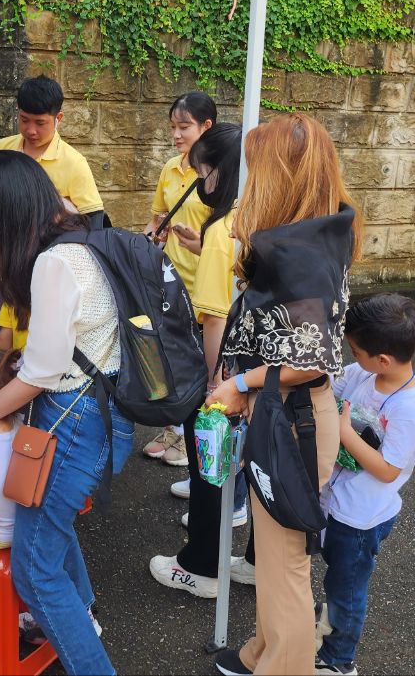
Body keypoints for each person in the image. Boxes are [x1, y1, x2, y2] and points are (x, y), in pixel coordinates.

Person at [0, 150, 129, 675]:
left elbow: (39, 374)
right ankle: (83, 617)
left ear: (10, 208)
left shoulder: (55, 262)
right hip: (94, 410)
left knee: (33, 573)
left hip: (72, 418)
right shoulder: (80, 235)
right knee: (50, 536)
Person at [208, 113, 364, 676]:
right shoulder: (318, 239)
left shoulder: (300, 255)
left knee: (286, 563)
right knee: (278, 561)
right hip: (289, 417)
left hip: (291, 419)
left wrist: (238, 383)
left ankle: (285, 667)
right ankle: (264, 654)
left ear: (281, 173)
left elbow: (308, 359)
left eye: (257, 168)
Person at [149, 122, 254, 598]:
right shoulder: (252, 218)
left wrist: (214, 388)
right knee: (246, 466)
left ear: (219, 172)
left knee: (208, 462)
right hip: (262, 366)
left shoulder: (221, 232)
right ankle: (251, 559)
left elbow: (213, 319)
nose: (199, 181)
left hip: (228, 369)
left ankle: (200, 567)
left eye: (203, 170)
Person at [317, 294, 415, 676]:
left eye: (355, 350)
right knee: (336, 574)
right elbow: (332, 384)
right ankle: (329, 627)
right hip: (338, 502)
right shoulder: (365, 374)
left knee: (347, 590)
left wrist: (344, 433)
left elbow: (387, 470)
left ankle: (339, 661)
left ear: (383, 358)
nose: (352, 357)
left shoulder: (408, 409)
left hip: (362, 518)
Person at [0, 75, 107, 334]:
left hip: (46, 272)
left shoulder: (73, 163)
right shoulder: (1, 150)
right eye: (24, 120)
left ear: (59, 118)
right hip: (4, 262)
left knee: (34, 335)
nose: (31, 130)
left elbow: (94, 223)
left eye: (40, 123)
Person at [143, 91, 216, 465]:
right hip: (170, 282)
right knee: (171, 356)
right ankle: (174, 428)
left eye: (184, 126)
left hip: (207, 283)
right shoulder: (170, 169)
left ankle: (192, 438)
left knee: (203, 362)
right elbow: (158, 218)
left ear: (207, 126)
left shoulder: (219, 175)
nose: (176, 134)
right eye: (173, 126)